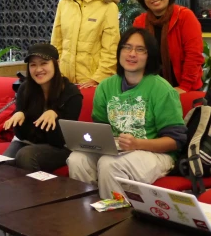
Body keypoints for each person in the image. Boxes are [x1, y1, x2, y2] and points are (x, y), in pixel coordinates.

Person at [67, 27, 187, 199]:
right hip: (116, 150)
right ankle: (88, 213)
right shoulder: (105, 86)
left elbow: (176, 141)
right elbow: (101, 129)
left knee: (109, 164)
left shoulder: (161, 89)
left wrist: (137, 143)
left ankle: (116, 218)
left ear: (149, 56)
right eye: (127, 47)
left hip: (156, 154)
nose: (132, 54)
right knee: (77, 159)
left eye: (140, 50)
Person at [3, 43, 83, 172]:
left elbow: (62, 140)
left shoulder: (71, 93)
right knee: (4, 163)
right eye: (33, 65)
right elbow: (22, 136)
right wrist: (20, 114)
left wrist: (55, 115)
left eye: (44, 63)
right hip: (28, 142)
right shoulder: (25, 89)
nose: (38, 69)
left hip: (62, 147)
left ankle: (38, 192)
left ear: (56, 63)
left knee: (25, 155)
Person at [51, 0, 120, 89]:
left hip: (92, 83)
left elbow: (111, 50)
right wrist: (56, 74)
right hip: (64, 81)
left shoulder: (108, 6)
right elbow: (56, 44)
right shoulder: (64, 4)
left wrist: (98, 79)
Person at [133, 0, 204, 93]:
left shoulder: (185, 16)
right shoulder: (139, 22)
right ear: (143, 0)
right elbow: (135, 56)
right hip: (151, 89)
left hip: (185, 88)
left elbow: (194, 55)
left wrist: (184, 87)